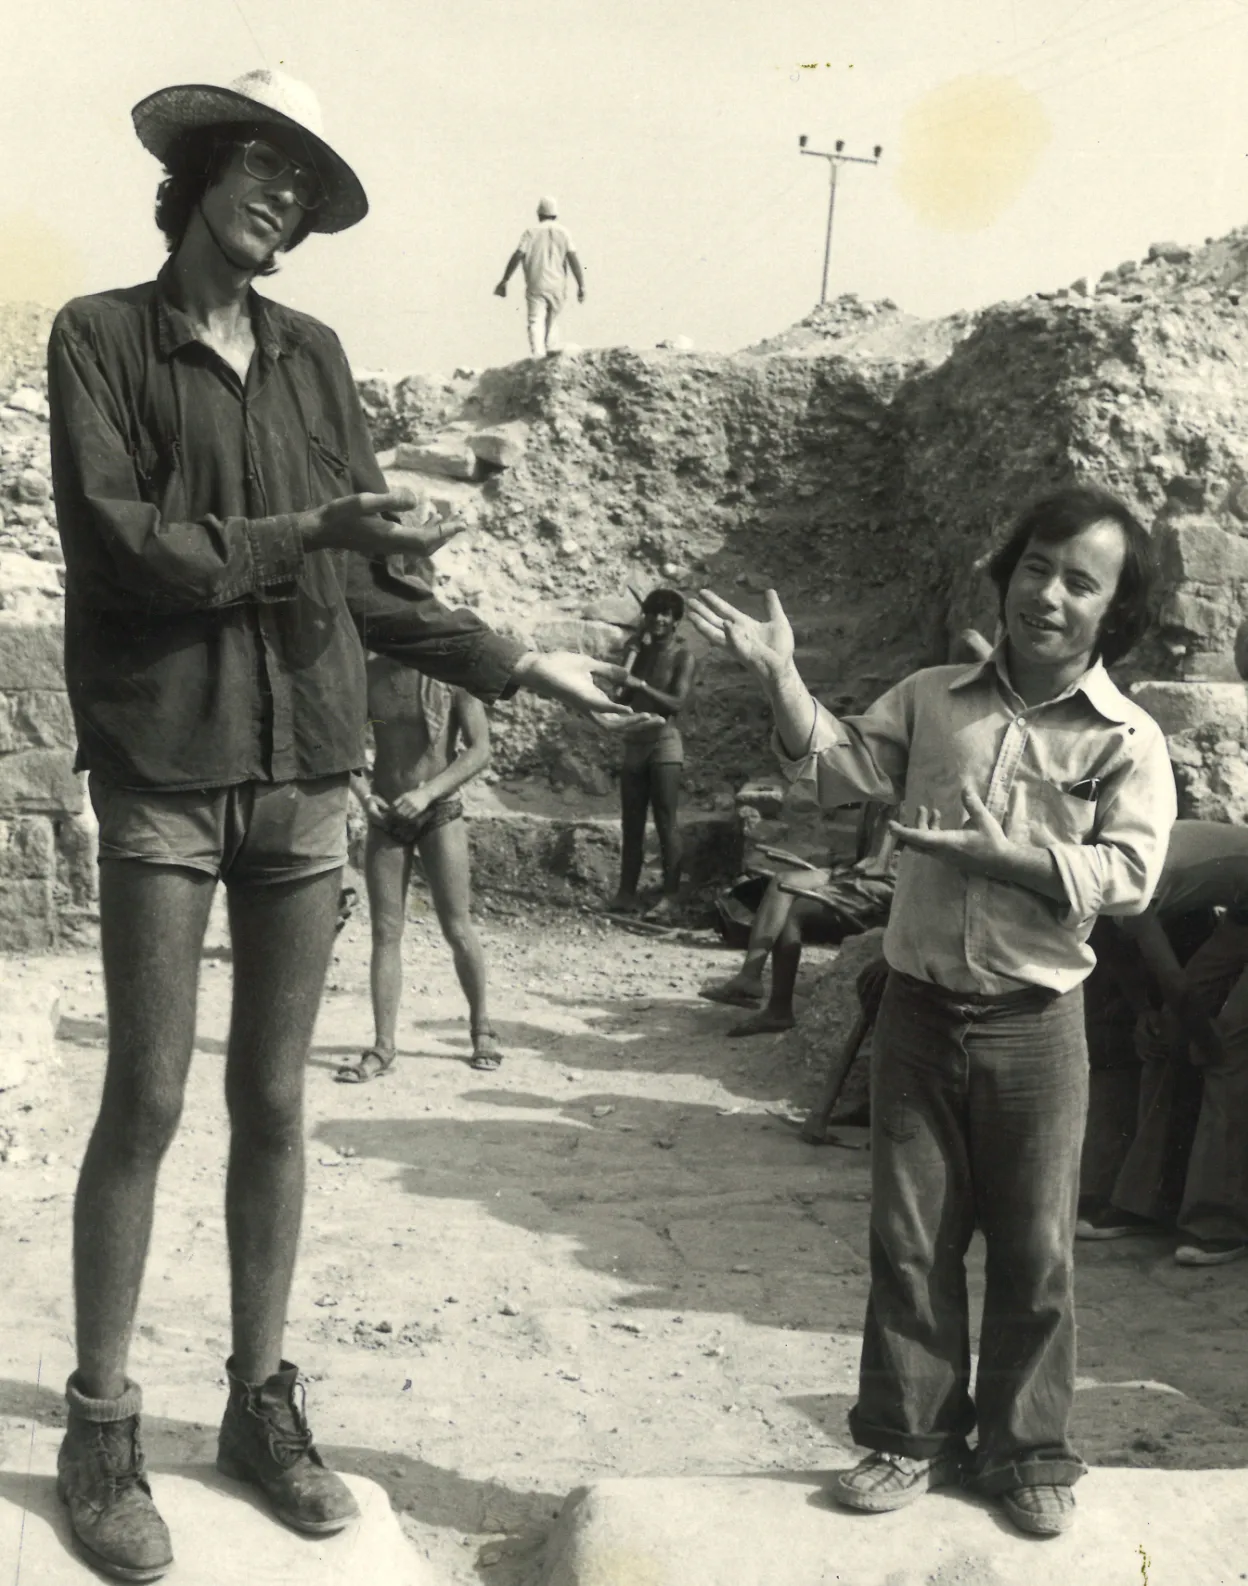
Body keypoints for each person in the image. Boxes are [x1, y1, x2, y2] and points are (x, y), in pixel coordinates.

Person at [46, 68, 650, 1583]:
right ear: (198, 171)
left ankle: (259, 1402)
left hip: (309, 774)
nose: (283, 196)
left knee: (274, 1100)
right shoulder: (99, 337)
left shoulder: (315, 357)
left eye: (305, 183)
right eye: (262, 163)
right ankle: (102, 1424)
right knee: (146, 1097)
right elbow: (125, 553)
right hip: (167, 771)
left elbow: (371, 579)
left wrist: (522, 663)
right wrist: (308, 531)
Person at [690, 485, 1175, 1538]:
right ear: (1006, 576)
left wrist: (1014, 860)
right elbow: (836, 776)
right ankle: (909, 1439)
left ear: (1114, 612)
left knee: (1036, 1252)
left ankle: (1025, 1452)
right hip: (916, 1010)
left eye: (1079, 582)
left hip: (1036, 1026)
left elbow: (1133, 877)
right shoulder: (930, 697)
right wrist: (780, 677)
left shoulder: (1126, 738)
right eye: (1035, 567)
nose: (1048, 595)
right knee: (908, 1243)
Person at [1078, 819, 1248, 1265]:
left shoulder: (1131, 870)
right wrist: (1147, 1016)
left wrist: (1206, 1039)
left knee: (1229, 1054)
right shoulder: (1094, 871)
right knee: (1164, 1037)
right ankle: (1145, 1204)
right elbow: (1115, 951)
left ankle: (1224, 1224)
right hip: (1242, 920)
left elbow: (1177, 984)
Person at [340, 652, 504, 1079]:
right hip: (387, 814)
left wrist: (428, 793)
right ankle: (383, 1047)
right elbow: (343, 746)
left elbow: (480, 749)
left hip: (440, 811)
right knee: (385, 932)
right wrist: (365, 798)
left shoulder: (454, 672)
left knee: (457, 926)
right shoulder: (369, 675)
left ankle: (482, 1028)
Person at [700, 800, 895, 1036]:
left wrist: (845, 874)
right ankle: (749, 976)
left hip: (882, 888)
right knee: (782, 881)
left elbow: (886, 867)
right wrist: (842, 870)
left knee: (793, 910)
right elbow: (869, 857)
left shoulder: (909, 801)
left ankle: (778, 1010)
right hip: (860, 875)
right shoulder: (879, 801)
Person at [608, 588, 697, 913]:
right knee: (631, 824)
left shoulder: (683, 657)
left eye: (665, 614)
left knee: (665, 821)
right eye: (652, 613)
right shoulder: (639, 655)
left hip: (664, 746)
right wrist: (627, 663)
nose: (658, 619)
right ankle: (625, 895)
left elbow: (677, 703)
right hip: (634, 744)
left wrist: (642, 685)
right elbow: (619, 699)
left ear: (675, 621)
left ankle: (670, 897)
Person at [493, 195, 586, 357]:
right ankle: (550, 350)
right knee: (552, 319)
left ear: (539, 214)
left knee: (535, 319)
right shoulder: (564, 233)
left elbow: (518, 255)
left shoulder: (531, 233)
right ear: (556, 214)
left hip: (536, 282)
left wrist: (505, 280)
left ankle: (538, 355)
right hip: (558, 284)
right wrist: (581, 285)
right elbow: (573, 259)